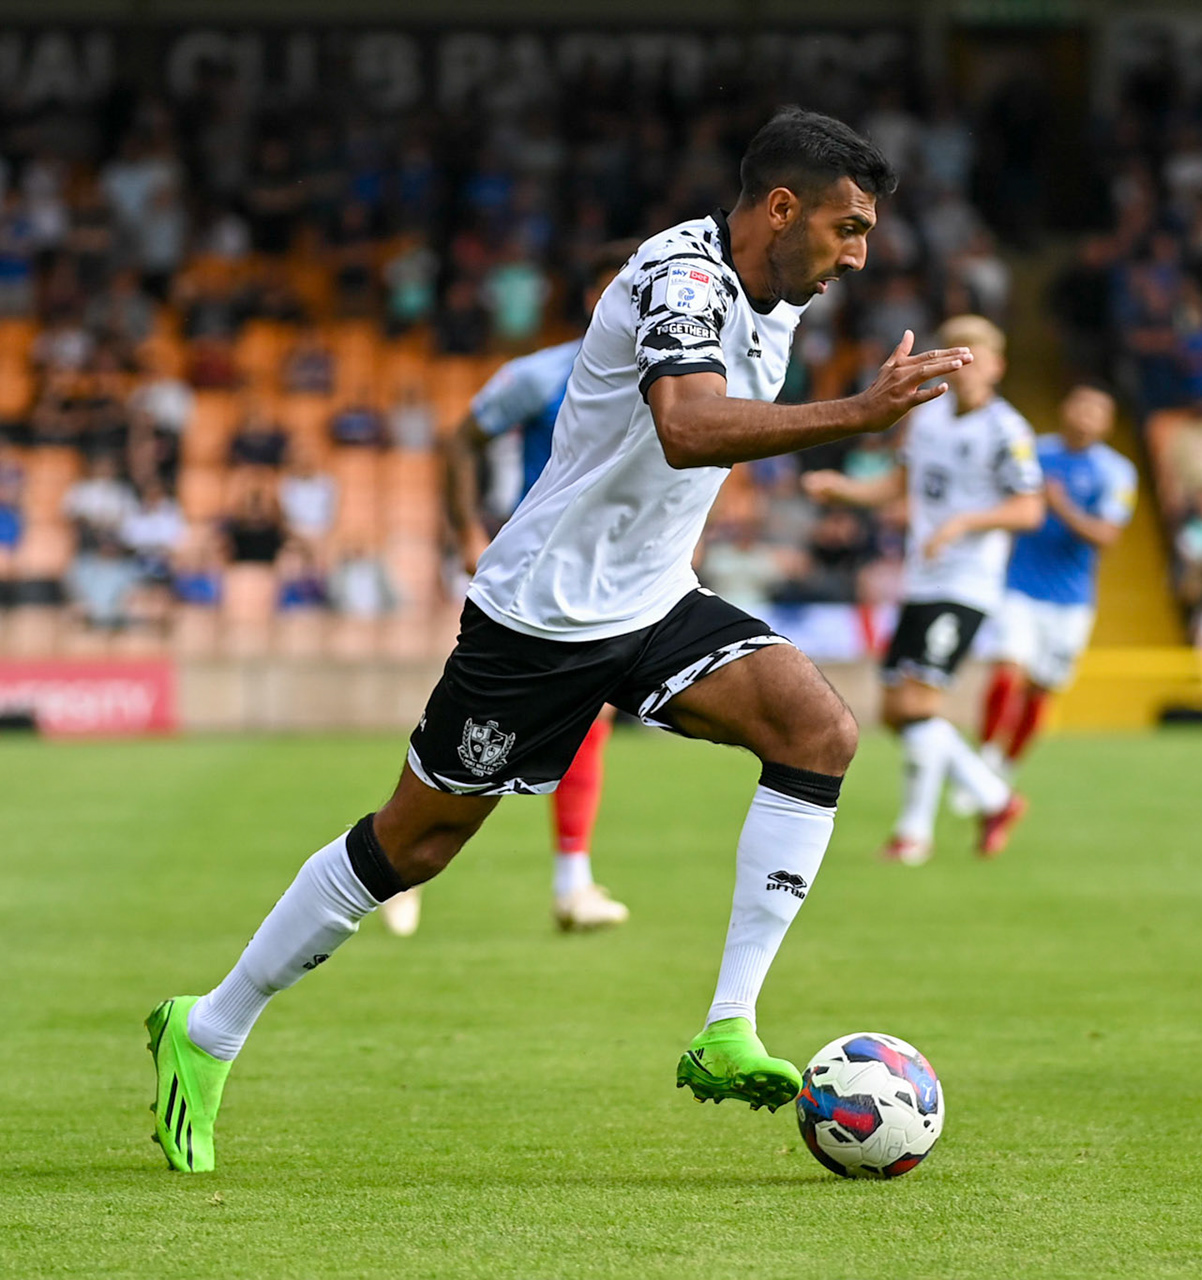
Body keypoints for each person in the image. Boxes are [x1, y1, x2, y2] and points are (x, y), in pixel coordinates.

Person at [145, 108, 975, 1172]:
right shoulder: (682, 277)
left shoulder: (778, 301)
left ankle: (729, 1023)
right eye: (847, 227)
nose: (858, 255)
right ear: (781, 207)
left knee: (818, 730)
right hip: (540, 616)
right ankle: (208, 1028)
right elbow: (687, 428)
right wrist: (856, 415)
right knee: (413, 845)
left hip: (652, 601)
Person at [391, 241, 644, 939]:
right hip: (533, 575)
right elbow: (460, 441)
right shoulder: (543, 375)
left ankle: (571, 884)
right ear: (596, 299)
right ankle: (392, 865)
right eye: (625, 289)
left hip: (609, 579)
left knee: (586, 720)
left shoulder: (675, 382)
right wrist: (468, 537)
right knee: (482, 733)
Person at [802, 315, 1042, 866]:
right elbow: (900, 485)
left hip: (966, 582)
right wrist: (844, 490)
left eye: (977, 358)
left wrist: (963, 524)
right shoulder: (928, 418)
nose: (966, 369)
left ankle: (918, 833)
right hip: (922, 578)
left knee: (918, 703)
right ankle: (993, 800)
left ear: (997, 366)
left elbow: (1029, 509)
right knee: (897, 710)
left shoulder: (1008, 431)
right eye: (958, 357)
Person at [973, 382, 1136, 787]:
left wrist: (1061, 506)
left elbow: (1107, 535)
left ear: (1108, 424)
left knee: (1041, 689)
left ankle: (1007, 767)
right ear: (1065, 409)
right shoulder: (1034, 453)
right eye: (1080, 406)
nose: (1085, 416)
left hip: (1071, 599)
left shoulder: (1116, 472)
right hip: (1019, 586)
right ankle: (985, 759)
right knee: (1007, 669)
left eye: (1096, 411)